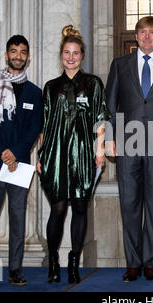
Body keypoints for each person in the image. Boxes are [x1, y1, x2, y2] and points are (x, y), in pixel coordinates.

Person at [105, 16, 153, 282]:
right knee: (129, 205)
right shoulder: (120, 65)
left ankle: (150, 263)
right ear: (136, 36)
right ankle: (133, 263)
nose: (147, 37)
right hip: (127, 144)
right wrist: (110, 139)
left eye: (152, 33)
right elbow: (110, 105)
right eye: (142, 32)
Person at [37, 25, 109, 284]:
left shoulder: (93, 83)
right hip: (55, 154)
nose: (71, 57)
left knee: (80, 206)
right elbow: (44, 124)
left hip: (83, 154)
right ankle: (53, 259)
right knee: (57, 209)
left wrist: (100, 149)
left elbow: (100, 118)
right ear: (61, 55)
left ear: (82, 55)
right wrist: (39, 155)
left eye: (75, 53)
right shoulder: (50, 87)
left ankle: (74, 260)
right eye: (66, 52)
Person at [0, 35, 43, 287]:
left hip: (21, 162)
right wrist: (4, 152)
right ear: (7, 55)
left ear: (28, 56)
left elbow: (34, 129)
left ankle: (15, 269)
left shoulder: (35, 92)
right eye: (14, 51)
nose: (18, 56)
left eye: (23, 52)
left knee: (17, 216)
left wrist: (15, 153)